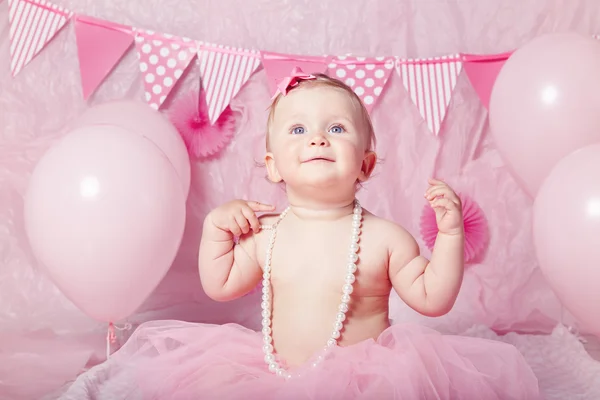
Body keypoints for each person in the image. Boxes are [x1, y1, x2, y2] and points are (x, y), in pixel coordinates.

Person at [60, 68, 541, 399]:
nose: (317, 138)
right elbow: (220, 285)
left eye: (336, 128)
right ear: (272, 167)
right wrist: (215, 232)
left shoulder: (386, 239)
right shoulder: (267, 233)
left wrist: (451, 236)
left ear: (366, 164)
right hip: (273, 373)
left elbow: (433, 299)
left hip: (365, 383)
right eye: (297, 130)